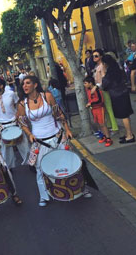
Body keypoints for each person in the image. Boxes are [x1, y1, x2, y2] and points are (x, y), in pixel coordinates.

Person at [17, 76, 91, 207]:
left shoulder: (47, 96)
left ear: (35, 85)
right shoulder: (23, 104)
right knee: (40, 169)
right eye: (23, 84)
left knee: (71, 162)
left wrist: (67, 129)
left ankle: (81, 189)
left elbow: (59, 114)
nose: (25, 86)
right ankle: (44, 196)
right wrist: (29, 134)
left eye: (28, 83)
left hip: (57, 136)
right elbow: (22, 122)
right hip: (40, 141)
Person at [0, 78, 29, 169]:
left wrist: (18, 114)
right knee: (5, 150)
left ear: (2, 86)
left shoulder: (11, 94)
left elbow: (18, 103)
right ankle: (9, 168)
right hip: (2, 126)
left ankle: (30, 164)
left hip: (15, 123)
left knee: (24, 145)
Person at [102, 55, 135, 144]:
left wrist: (103, 75)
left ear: (105, 64)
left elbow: (104, 85)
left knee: (124, 116)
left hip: (117, 95)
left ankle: (129, 136)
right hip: (124, 93)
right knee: (126, 115)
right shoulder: (118, 69)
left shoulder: (109, 73)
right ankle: (129, 133)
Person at [93, 49, 119, 132]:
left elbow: (104, 79)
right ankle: (110, 125)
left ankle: (114, 127)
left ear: (101, 56)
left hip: (103, 89)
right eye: (93, 56)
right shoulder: (97, 66)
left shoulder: (102, 66)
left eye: (96, 56)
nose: (94, 57)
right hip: (99, 89)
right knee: (105, 108)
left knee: (109, 108)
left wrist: (97, 86)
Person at [83, 76, 113, 147]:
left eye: (85, 83)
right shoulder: (89, 90)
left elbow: (100, 100)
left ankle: (108, 138)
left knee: (102, 124)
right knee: (98, 124)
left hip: (99, 108)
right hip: (93, 109)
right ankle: (104, 136)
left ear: (90, 83)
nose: (84, 85)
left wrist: (91, 103)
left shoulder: (97, 90)